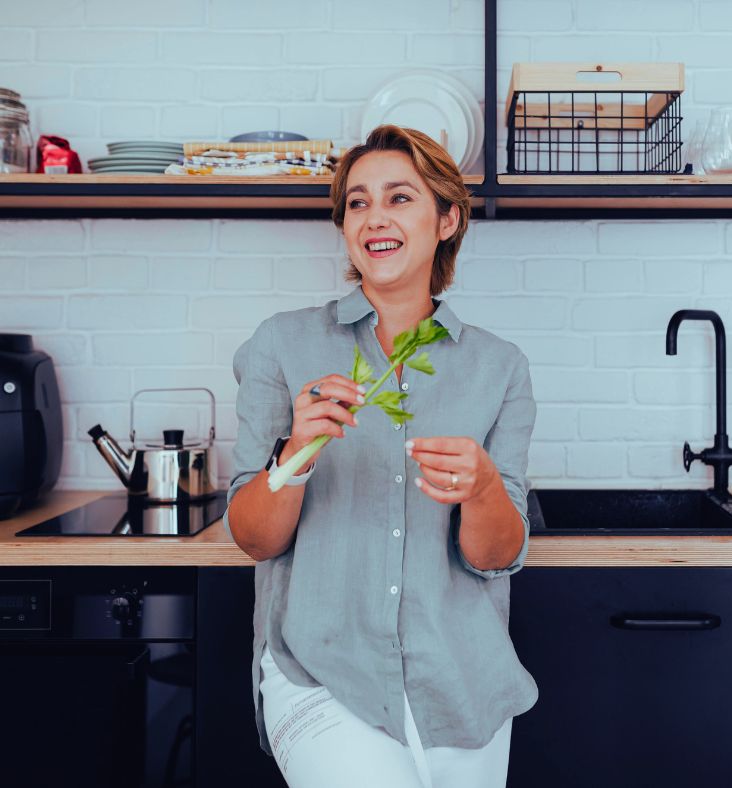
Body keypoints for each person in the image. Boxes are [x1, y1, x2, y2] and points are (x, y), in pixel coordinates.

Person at [224, 124, 539, 788]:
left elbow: (496, 556)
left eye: (400, 198)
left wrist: (483, 488)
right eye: (357, 203)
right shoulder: (280, 345)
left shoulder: (500, 367)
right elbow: (253, 538)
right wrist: (297, 452)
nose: (374, 218)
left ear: (447, 220)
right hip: (320, 673)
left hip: (464, 684)